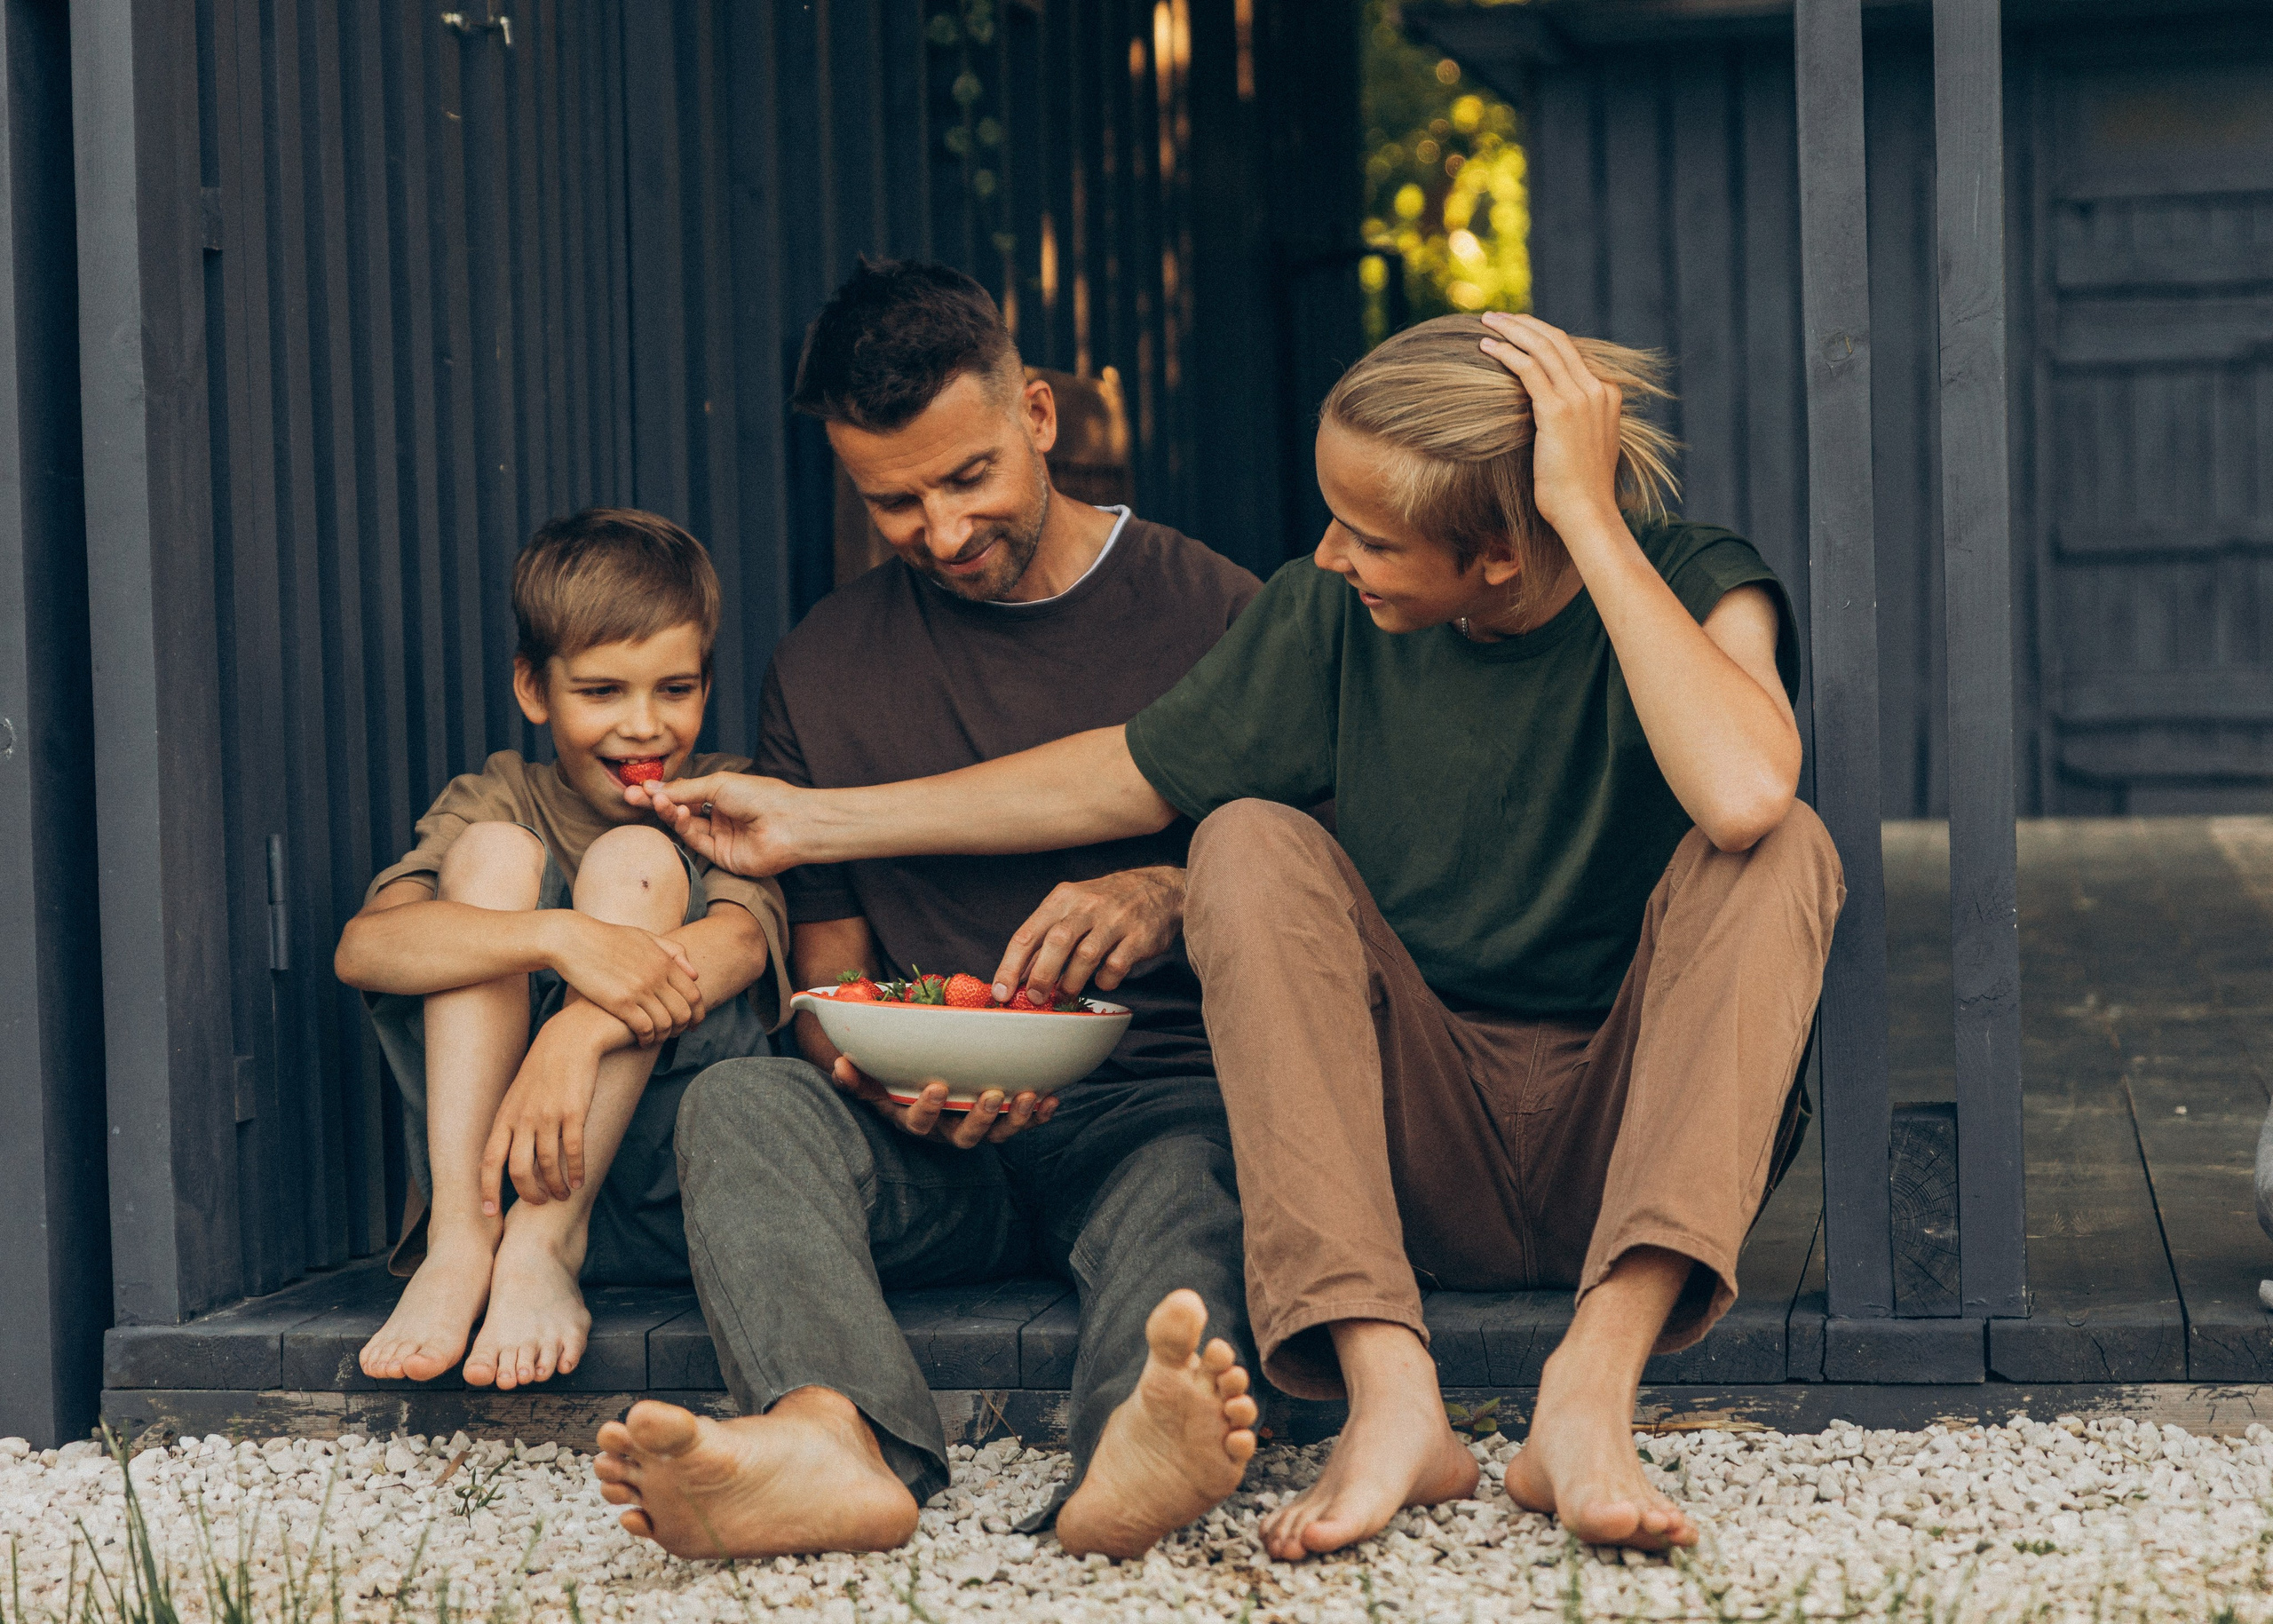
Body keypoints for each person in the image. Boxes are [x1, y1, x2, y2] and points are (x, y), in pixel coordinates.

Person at [631, 312, 1843, 1557]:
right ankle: (1388, 1396)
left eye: (1370, 536)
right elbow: (1128, 772)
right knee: (1244, 834)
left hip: (1625, 1134)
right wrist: (814, 822)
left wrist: (1585, 521)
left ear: (1496, 553)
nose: (1326, 553)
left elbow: (1746, 790)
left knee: (1779, 846)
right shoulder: (1326, 613)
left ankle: (1590, 1390)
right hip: (1413, 1141)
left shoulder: (1698, 580)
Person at [590, 259, 1263, 1563]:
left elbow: (1315, 871)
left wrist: (1170, 888)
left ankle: (1135, 1442)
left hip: (1156, 1102)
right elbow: (826, 983)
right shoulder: (823, 664)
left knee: (1204, 1177)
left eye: (968, 479)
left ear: (1039, 417)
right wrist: (877, 1080)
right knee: (740, 1103)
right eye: (893, 500)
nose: (943, 532)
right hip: (930, 1142)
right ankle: (828, 1441)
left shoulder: (1217, 610)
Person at [337, 510, 789, 1391]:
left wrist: (573, 1033)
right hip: (492, 1184)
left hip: (672, 1194)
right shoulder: (499, 793)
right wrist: (561, 937)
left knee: (636, 860)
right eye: (602, 691)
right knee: (490, 856)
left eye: (675, 689)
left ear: (706, 684)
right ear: (533, 688)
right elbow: (366, 947)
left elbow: (739, 943)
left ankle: (546, 1242)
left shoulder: (728, 796)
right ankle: (461, 1241)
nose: (643, 725)